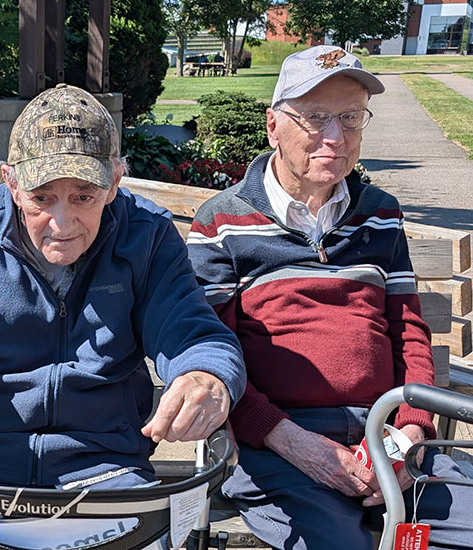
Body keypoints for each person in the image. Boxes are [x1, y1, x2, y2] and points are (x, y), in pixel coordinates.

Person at [0, 83, 246, 492]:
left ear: (115, 182)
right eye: (41, 198)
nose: (62, 224)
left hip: (105, 467)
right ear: (11, 183)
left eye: (83, 197)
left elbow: (192, 331)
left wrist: (204, 374)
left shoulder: (146, 236)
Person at [187, 45, 473, 548]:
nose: (335, 138)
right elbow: (212, 353)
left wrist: (409, 436)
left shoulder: (381, 214)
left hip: (386, 431)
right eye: (315, 118)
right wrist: (294, 443)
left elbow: (409, 332)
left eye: (349, 118)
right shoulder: (223, 222)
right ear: (273, 125)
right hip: (279, 444)